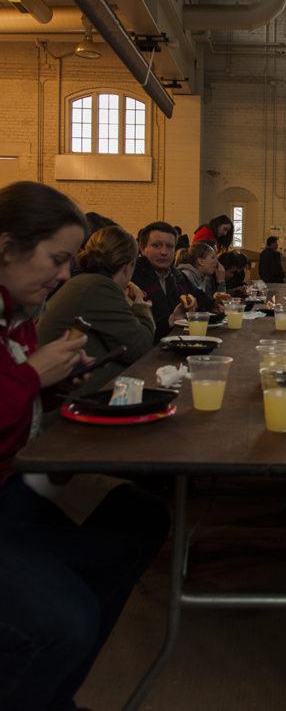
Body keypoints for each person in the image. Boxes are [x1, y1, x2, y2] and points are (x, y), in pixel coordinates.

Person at [0, 181, 169, 710]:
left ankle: (49, 691)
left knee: (137, 516)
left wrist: (50, 386)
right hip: (10, 490)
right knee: (63, 620)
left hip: (17, 483)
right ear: (6, 247)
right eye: (57, 258)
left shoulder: (17, 313)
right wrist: (30, 378)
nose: (65, 274)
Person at [38, 225, 155, 394]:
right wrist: (141, 307)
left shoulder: (87, 282)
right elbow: (140, 347)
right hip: (65, 406)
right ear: (127, 266)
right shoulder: (98, 287)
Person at [132, 221, 209, 341]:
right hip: (147, 351)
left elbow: (201, 300)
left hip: (179, 343)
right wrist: (171, 320)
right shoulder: (132, 277)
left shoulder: (177, 275)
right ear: (142, 248)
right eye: (156, 245)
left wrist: (214, 303)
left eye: (170, 246)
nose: (164, 252)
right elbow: (133, 330)